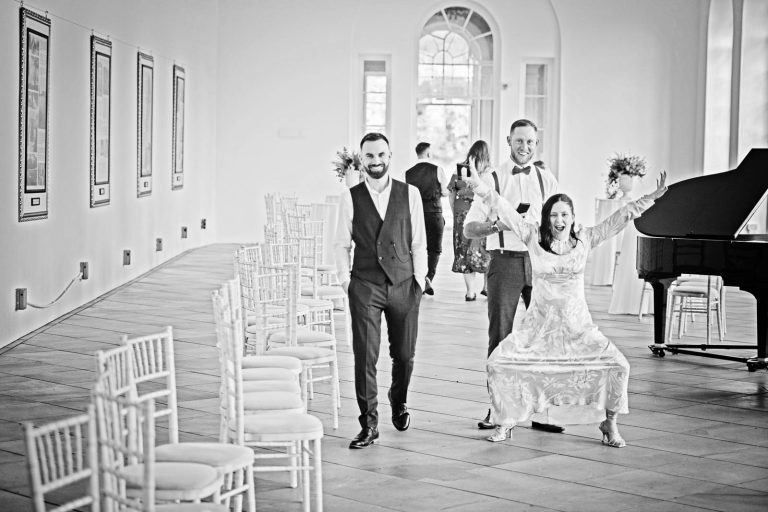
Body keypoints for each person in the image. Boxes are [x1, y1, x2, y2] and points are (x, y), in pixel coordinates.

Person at [464, 170, 668, 446]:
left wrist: (650, 198)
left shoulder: (586, 239)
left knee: (619, 365)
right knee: (498, 364)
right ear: (547, 218)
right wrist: (479, 186)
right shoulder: (532, 236)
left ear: (573, 217)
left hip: (578, 329)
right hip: (538, 329)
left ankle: (609, 424)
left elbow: (621, 218)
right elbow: (504, 207)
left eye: (565, 215)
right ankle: (506, 420)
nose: (559, 220)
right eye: (554, 215)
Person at [463, 119, 558, 431]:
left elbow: (562, 221)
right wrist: (497, 225)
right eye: (519, 141)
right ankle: (498, 408)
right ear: (508, 141)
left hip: (539, 262)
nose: (525, 147)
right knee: (500, 336)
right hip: (504, 262)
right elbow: (468, 227)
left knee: (544, 335)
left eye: (530, 142)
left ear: (536, 143)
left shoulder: (547, 178)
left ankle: (541, 410)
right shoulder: (492, 178)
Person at [335, 132, 428, 449]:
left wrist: (419, 280)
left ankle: (398, 399)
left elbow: (419, 242)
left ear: (390, 156)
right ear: (362, 159)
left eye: (381, 155)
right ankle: (369, 425)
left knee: (404, 355)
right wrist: (347, 283)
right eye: (370, 156)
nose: (376, 161)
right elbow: (339, 245)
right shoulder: (350, 197)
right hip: (364, 285)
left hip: (404, 285)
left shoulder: (410, 194)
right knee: (365, 357)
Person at [448, 140, 492, 301]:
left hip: (462, 215)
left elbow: (451, 194)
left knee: (464, 251)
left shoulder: (460, 169)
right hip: (482, 216)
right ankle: (486, 288)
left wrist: (456, 214)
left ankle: (470, 292)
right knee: (486, 250)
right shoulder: (490, 172)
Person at [405, 142, 449, 295]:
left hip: (414, 215)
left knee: (415, 248)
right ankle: (428, 278)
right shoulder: (437, 169)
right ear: (429, 153)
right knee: (434, 249)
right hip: (434, 213)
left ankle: (418, 279)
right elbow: (445, 192)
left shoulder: (408, 173)